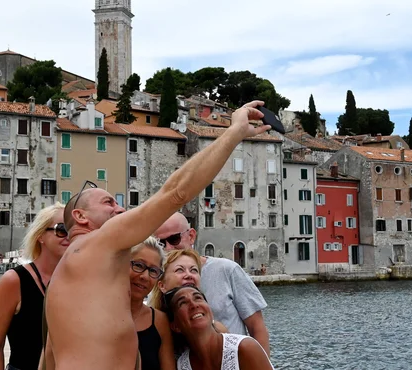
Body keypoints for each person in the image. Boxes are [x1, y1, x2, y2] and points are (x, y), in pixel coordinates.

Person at [42, 100, 272, 370]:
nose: (120, 209)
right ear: (81, 217)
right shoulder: (98, 242)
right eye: (109, 203)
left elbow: (48, 360)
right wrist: (234, 132)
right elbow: (176, 192)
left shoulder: (62, 282)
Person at [154, 213, 270, 353]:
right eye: (161, 243)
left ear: (191, 236)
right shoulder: (157, 278)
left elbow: (257, 328)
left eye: (174, 239)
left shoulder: (227, 270)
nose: (168, 248)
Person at [0, 203, 68, 370]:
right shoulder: (14, 280)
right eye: (62, 229)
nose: (69, 235)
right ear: (40, 236)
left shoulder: (80, 281)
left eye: (74, 230)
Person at [164, 285, 274, 370]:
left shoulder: (244, 348)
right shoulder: (182, 366)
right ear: (175, 326)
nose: (194, 305)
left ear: (210, 311)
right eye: (182, 303)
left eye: (198, 298)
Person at [130, 237, 174, 370]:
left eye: (153, 271)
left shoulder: (160, 322)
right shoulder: (98, 314)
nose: (144, 276)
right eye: (138, 265)